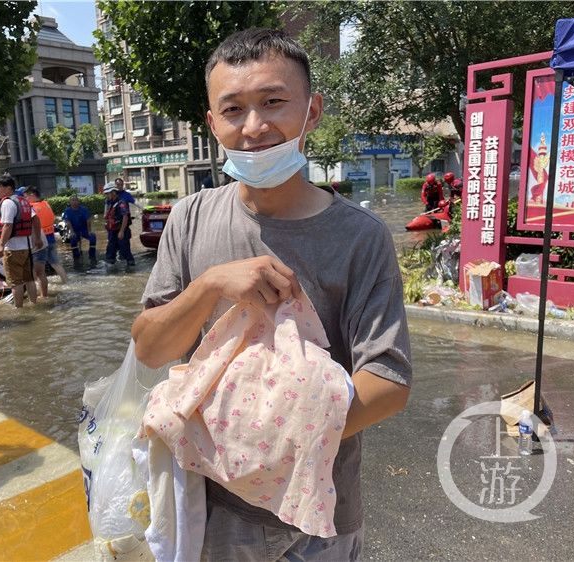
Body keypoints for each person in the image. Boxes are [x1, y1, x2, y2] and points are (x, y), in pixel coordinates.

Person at [132, 28, 411, 560]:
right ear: (212, 122)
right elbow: (149, 348)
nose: (255, 127)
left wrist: (253, 444)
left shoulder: (360, 236)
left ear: (312, 110)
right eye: (233, 109)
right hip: (209, 505)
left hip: (319, 514)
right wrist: (211, 285)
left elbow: (388, 384)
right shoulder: (190, 218)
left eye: (274, 102)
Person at [0, 177, 39, 308]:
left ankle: (19, 310)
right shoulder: (23, 201)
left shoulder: (8, 203)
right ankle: (34, 305)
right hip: (27, 247)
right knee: (29, 279)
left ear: (8, 188)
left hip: (13, 249)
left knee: (15, 282)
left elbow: (7, 225)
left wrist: (1, 245)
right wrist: (38, 238)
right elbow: (35, 219)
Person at [25, 187, 68, 294]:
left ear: (32, 195)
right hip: (51, 237)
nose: (25, 199)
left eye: (26, 196)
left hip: (40, 240)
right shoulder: (46, 204)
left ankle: (35, 289)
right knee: (55, 263)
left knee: (37, 268)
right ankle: (66, 282)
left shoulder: (31, 207)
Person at [103, 182, 136, 266]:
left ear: (113, 192)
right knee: (110, 250)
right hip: (112, 231)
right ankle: (110, 266)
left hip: (121, 230)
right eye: (106, 194)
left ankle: (131, 267)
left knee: (125, 250)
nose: (106, 195)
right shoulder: (110, 203)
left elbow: (125, 217)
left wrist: (121, 231)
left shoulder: (121, 203)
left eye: (107, 193)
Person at [62, 194, 97, 267]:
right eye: (72, 200)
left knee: (93, 237)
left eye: (76, 200)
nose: (74, 202)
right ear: (70, 202)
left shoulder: (84, 209)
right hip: (75, 230)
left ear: (78, 201)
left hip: (84, 229)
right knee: (73, 239)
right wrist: (71, 232)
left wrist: (89, 231)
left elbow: (88, 220)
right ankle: (76, 258)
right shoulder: (67, 210)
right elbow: (68, 222)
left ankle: (92, 256)